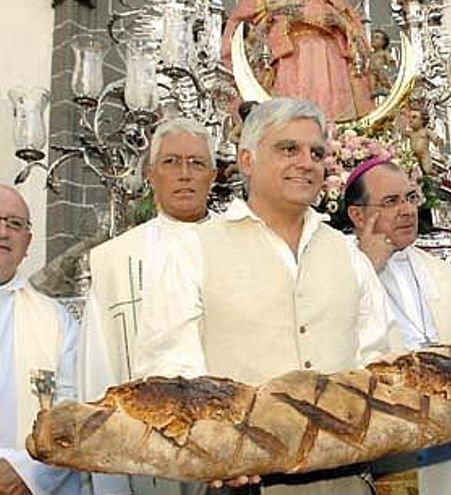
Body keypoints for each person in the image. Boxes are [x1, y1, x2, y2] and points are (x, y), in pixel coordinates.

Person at [136, 98, 390, 495]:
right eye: (288, 149)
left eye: (316, 152)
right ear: (248, 160)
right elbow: (170, 369)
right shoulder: (193, 251)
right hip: (244, 480)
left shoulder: (348, 255)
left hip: (347, 478)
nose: (306, 162)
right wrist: (215, 448)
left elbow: (378, 362)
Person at [77, 118, 218, 495]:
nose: (185, 174)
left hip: (228, 449)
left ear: (214, 176)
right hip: (146, 454)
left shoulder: (243, 248)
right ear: (151, 175)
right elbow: (98, 366)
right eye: (171, 162)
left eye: (197, 163)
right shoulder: (114, 260)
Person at [345, 158, 451, 495]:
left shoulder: (443, 274)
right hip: (381, 438)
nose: (407, 210)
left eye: (411, 198)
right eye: (391, 201)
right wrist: (367, 267)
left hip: (442, 439)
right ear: (357, 215)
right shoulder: (339, 269)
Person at [0, 185, 79, 495]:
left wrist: (25, 471)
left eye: (14, 223)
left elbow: (71, 414)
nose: (3, 231)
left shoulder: (57, 320)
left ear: (28, 242)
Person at [222, 0, 374, 121]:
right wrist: (274, 17)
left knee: (332, 117)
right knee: (289, 116)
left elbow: (359, 40)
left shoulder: (337, 4)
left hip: (332, 62)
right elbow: (236, 26)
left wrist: (341, 24)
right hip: (290, 59)